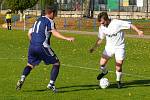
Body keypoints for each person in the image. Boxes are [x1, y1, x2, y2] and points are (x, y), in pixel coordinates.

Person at [16, 6, 75, 92]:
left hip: (32, 46)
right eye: (55, 14)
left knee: (30, 65)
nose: (55, 16)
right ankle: (51, 84)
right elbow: (54, 32)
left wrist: (34, 42)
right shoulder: (50, 21)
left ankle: (22, 78)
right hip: (42, 46)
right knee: (56, 63)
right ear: (51, 13)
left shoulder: (38, 20)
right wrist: (66, 38)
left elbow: (29, 33)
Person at [90, 12, 144, 88]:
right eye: (100, 23)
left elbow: (130, 25)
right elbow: (100, 38)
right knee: (102, 64)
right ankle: (104, 72)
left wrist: (138, 31)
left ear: (107, 19)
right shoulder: (101, 27)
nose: (102, 24)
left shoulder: (117, 23)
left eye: (103, 22)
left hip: (119, 47)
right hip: (109, 47)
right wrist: (94, 47)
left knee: (118, 66)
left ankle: (118, 81)